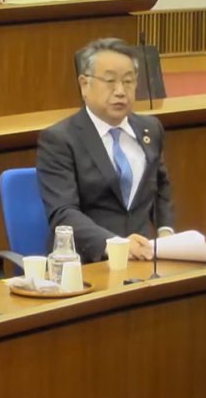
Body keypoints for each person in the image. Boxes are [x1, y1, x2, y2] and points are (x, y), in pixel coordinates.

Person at [36, 38, 175, 264]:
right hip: (86, 264)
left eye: (128, 81)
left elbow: (160, 187)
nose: (120, 91)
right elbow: (63, 213)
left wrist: (166, 232)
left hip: (142, 259)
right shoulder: (59, 139)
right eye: (110, 81)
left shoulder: (150, 129)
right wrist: (116, 245)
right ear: (84, 85)